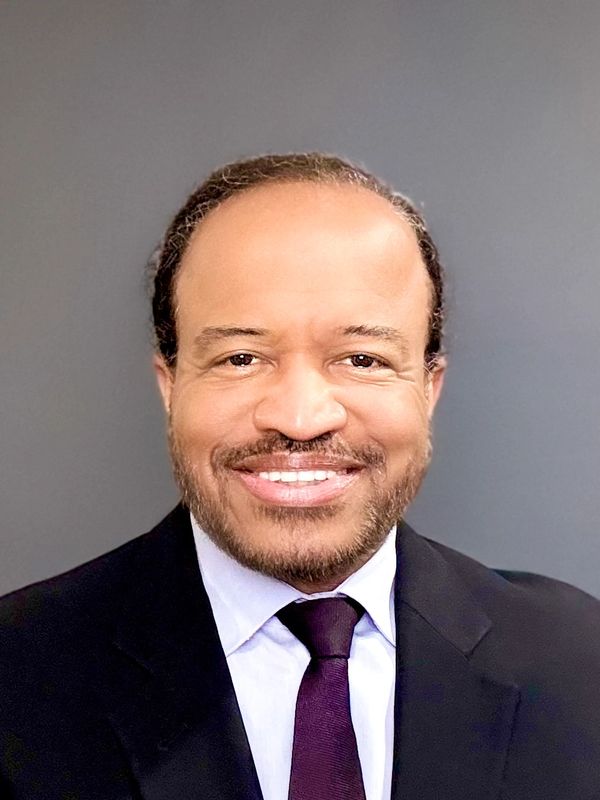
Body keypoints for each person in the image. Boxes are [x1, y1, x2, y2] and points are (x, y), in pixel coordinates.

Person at [1, 153, 599, 800]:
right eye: (241, 357)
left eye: (362, 359)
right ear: (169, 385)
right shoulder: (18, 676)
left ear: (429, 389)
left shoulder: (576, 665)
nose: (300, 416)